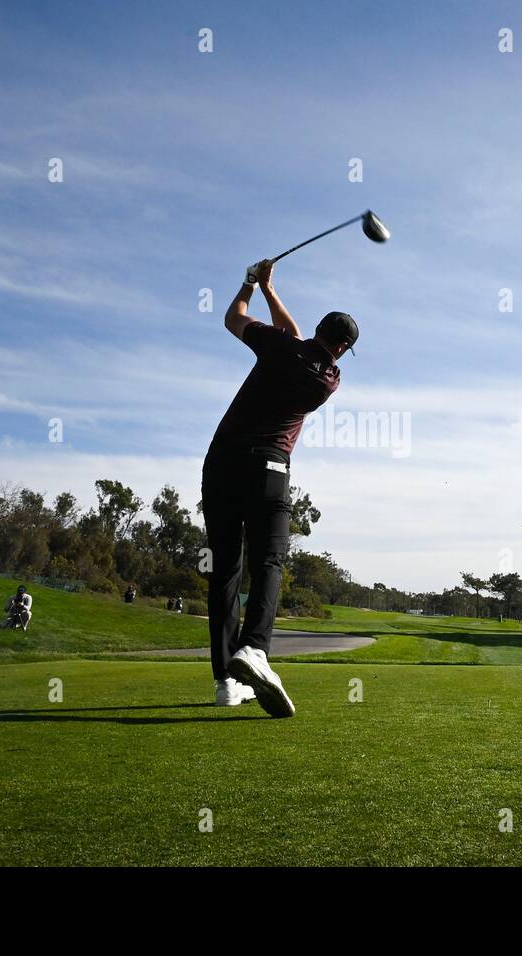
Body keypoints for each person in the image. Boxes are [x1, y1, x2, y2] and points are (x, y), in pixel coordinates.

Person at [202, 258, 354, 716]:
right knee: (269, 560)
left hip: (220, 464)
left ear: (317, 330)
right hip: (269, 468)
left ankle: (227, 681)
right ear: (343, 349)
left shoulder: (277, 346)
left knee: (225, 569)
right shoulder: (328, 379)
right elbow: (298, 339)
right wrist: (270, 289)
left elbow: (233, 319)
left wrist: (252, 284)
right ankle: (255, 650)